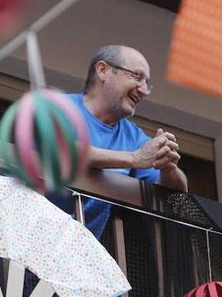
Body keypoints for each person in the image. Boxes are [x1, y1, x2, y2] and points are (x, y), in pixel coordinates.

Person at [64, 44, 188, 239]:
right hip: (19, 247)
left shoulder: (134, 137)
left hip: (75, 255)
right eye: (137, 77)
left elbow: (175, 194)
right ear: (103, 70)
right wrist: (133, 158)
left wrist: (168, 167)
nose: (144, 90)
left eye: (147, 83)